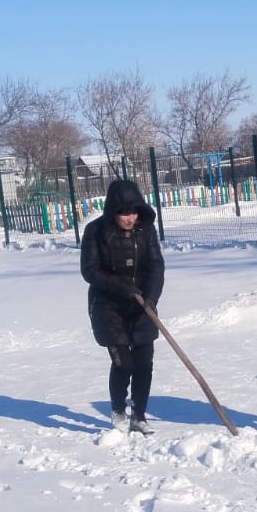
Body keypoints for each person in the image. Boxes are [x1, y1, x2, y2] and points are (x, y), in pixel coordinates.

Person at [80, 178, 165, 433]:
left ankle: (139, 415)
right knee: (124, 363)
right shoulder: (95, 231)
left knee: (144, 362)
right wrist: (121, 286)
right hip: (107, 306)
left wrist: (151, 298)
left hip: (142, 305)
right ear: (112, 212)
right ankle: (118, 409)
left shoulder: (146, 230)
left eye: (134, 211)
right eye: (124, 213)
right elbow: (90, 271)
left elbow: (156, 266)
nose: (131, 218)